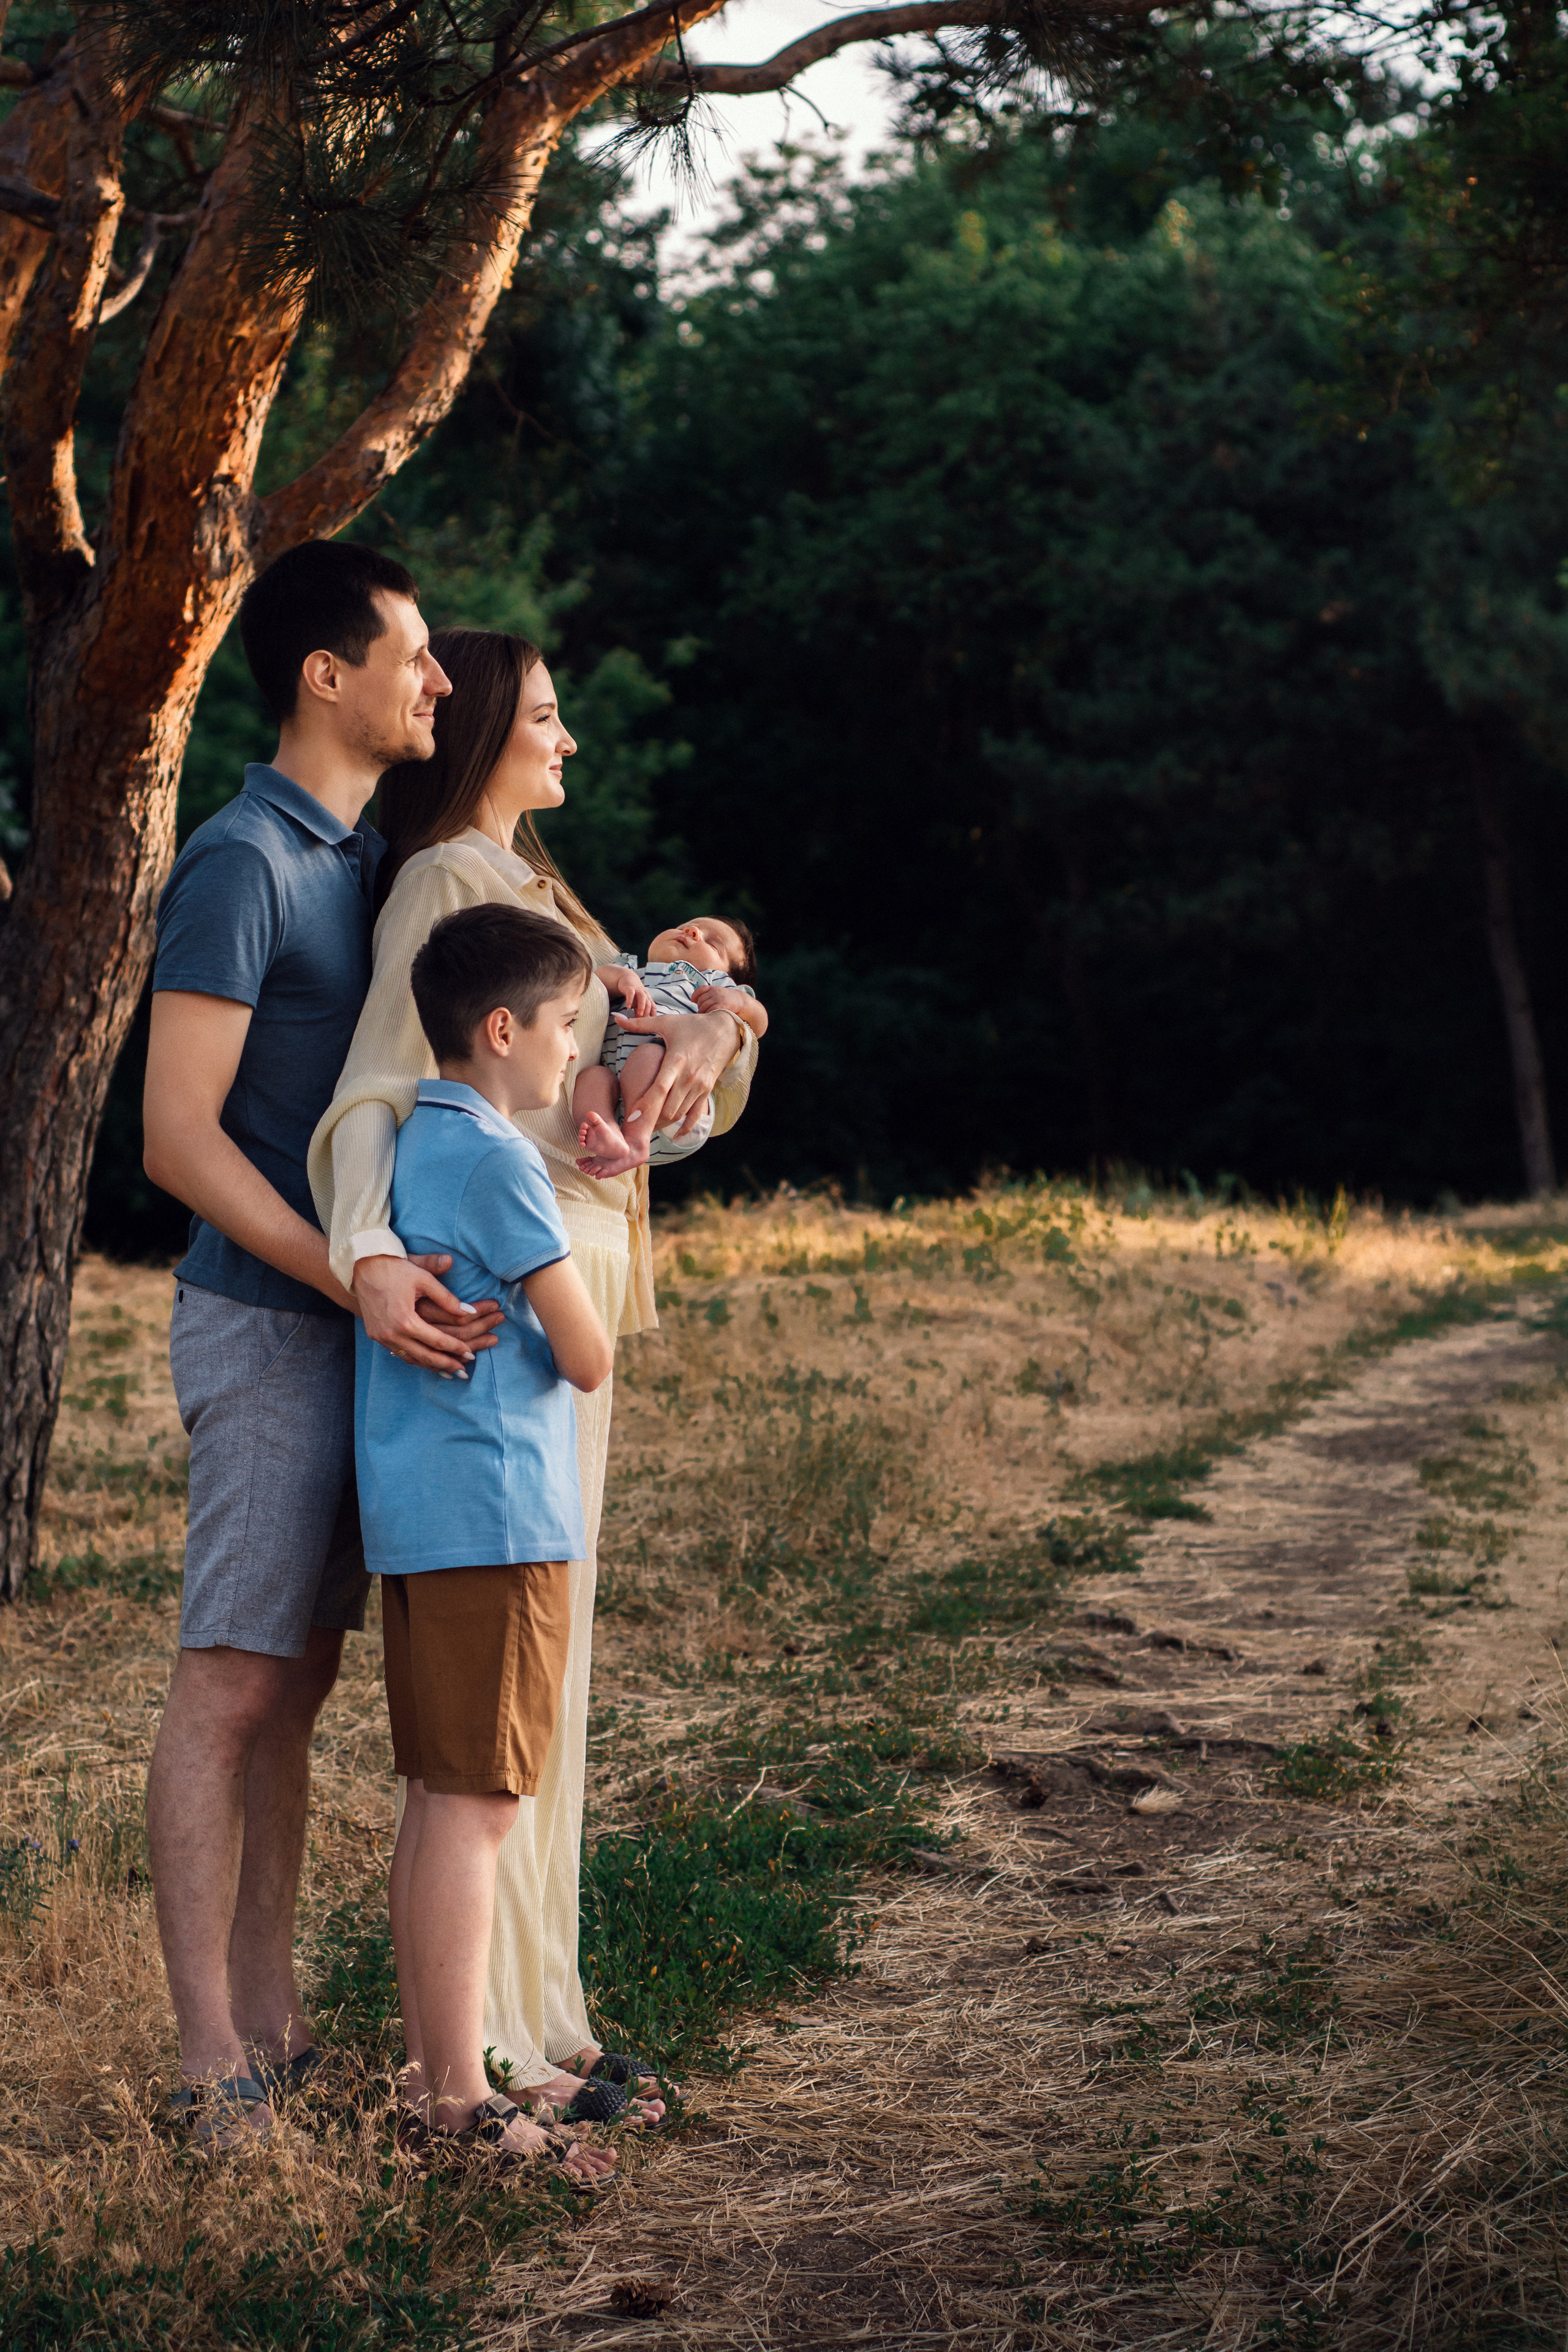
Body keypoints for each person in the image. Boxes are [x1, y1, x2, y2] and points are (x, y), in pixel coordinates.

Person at [307, 627, 757, 2124]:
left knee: (537, 1700)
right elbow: (380, 1092)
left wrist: (713, 1011)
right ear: (492, 728)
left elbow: (626, 1103)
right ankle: (484, 2044)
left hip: (562, 1291)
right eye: (545, 715)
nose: (564, 738)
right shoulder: (450, 881)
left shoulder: (539, 891)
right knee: (506, 1712)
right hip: (512, 1315)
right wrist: (369, 1250)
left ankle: (541, 2015)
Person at [140, 540, 513, 2155]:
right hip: (264, 1324)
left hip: (359, 1334)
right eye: (416, 654)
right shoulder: (243, 864)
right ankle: (210, 2064)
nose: (440, 680)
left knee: (296, 1688)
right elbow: (177, 1138)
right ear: (326, 676)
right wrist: (350, 1272)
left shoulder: (376, 867)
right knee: (229, 1684)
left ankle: (279, 2026)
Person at [360, 903, 616, 2173]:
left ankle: (434, 2073)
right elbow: (585, 1352)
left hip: (420, 1516)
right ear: (504, 1028)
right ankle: (457, 2101)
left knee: (438, 1803)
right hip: (500, 1517)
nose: (575, 1051)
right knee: (479, 1808)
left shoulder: (413, 1143)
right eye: (568, 1026)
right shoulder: (502, 1162)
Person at [576, 916, 769, 1179]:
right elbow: (597, 981)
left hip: (680, 1103)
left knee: (647, 1057)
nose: (692, 931)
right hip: (621, 1100)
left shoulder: (711, 984)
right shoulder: (630, 968)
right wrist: (625, 979)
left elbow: (759, 1021)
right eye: (685, 927)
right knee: (592, 1078)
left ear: (727, 976)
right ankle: (608, 1132)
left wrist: (736, 1001)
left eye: (713, 944)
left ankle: (636, 1143)